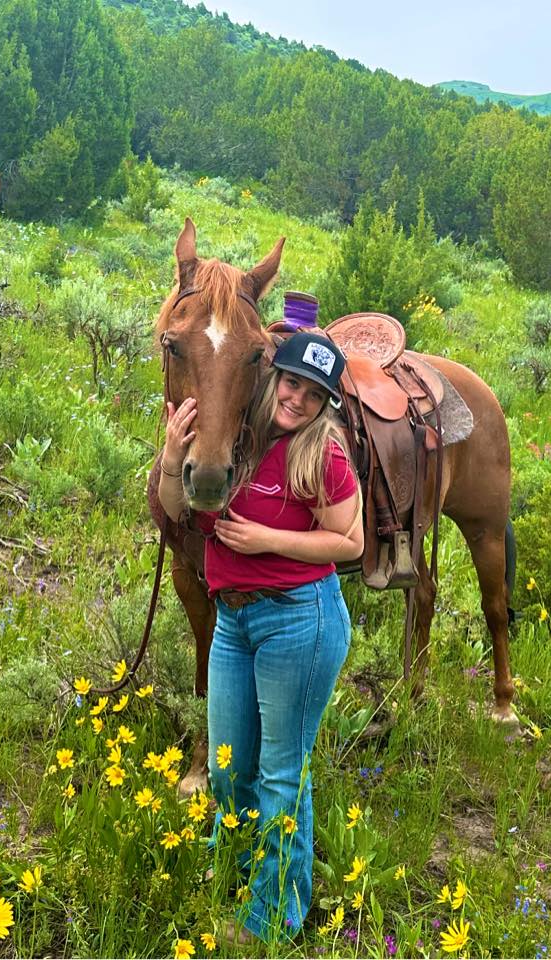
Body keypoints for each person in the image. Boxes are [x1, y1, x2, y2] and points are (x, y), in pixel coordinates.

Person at [157, 331, 363, 943]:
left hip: (299, 618)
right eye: (292, 383)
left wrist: (269, 541)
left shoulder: (320, 453)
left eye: (313, 394)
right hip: (235, 622)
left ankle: (275, 913)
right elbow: (176, 509)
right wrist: (172, 455)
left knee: (280, 771)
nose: (297, 400)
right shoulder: (233, 441)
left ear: (325, 405)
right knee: (227, 767)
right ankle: (248, 870)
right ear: (273, 378)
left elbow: (349, 543)